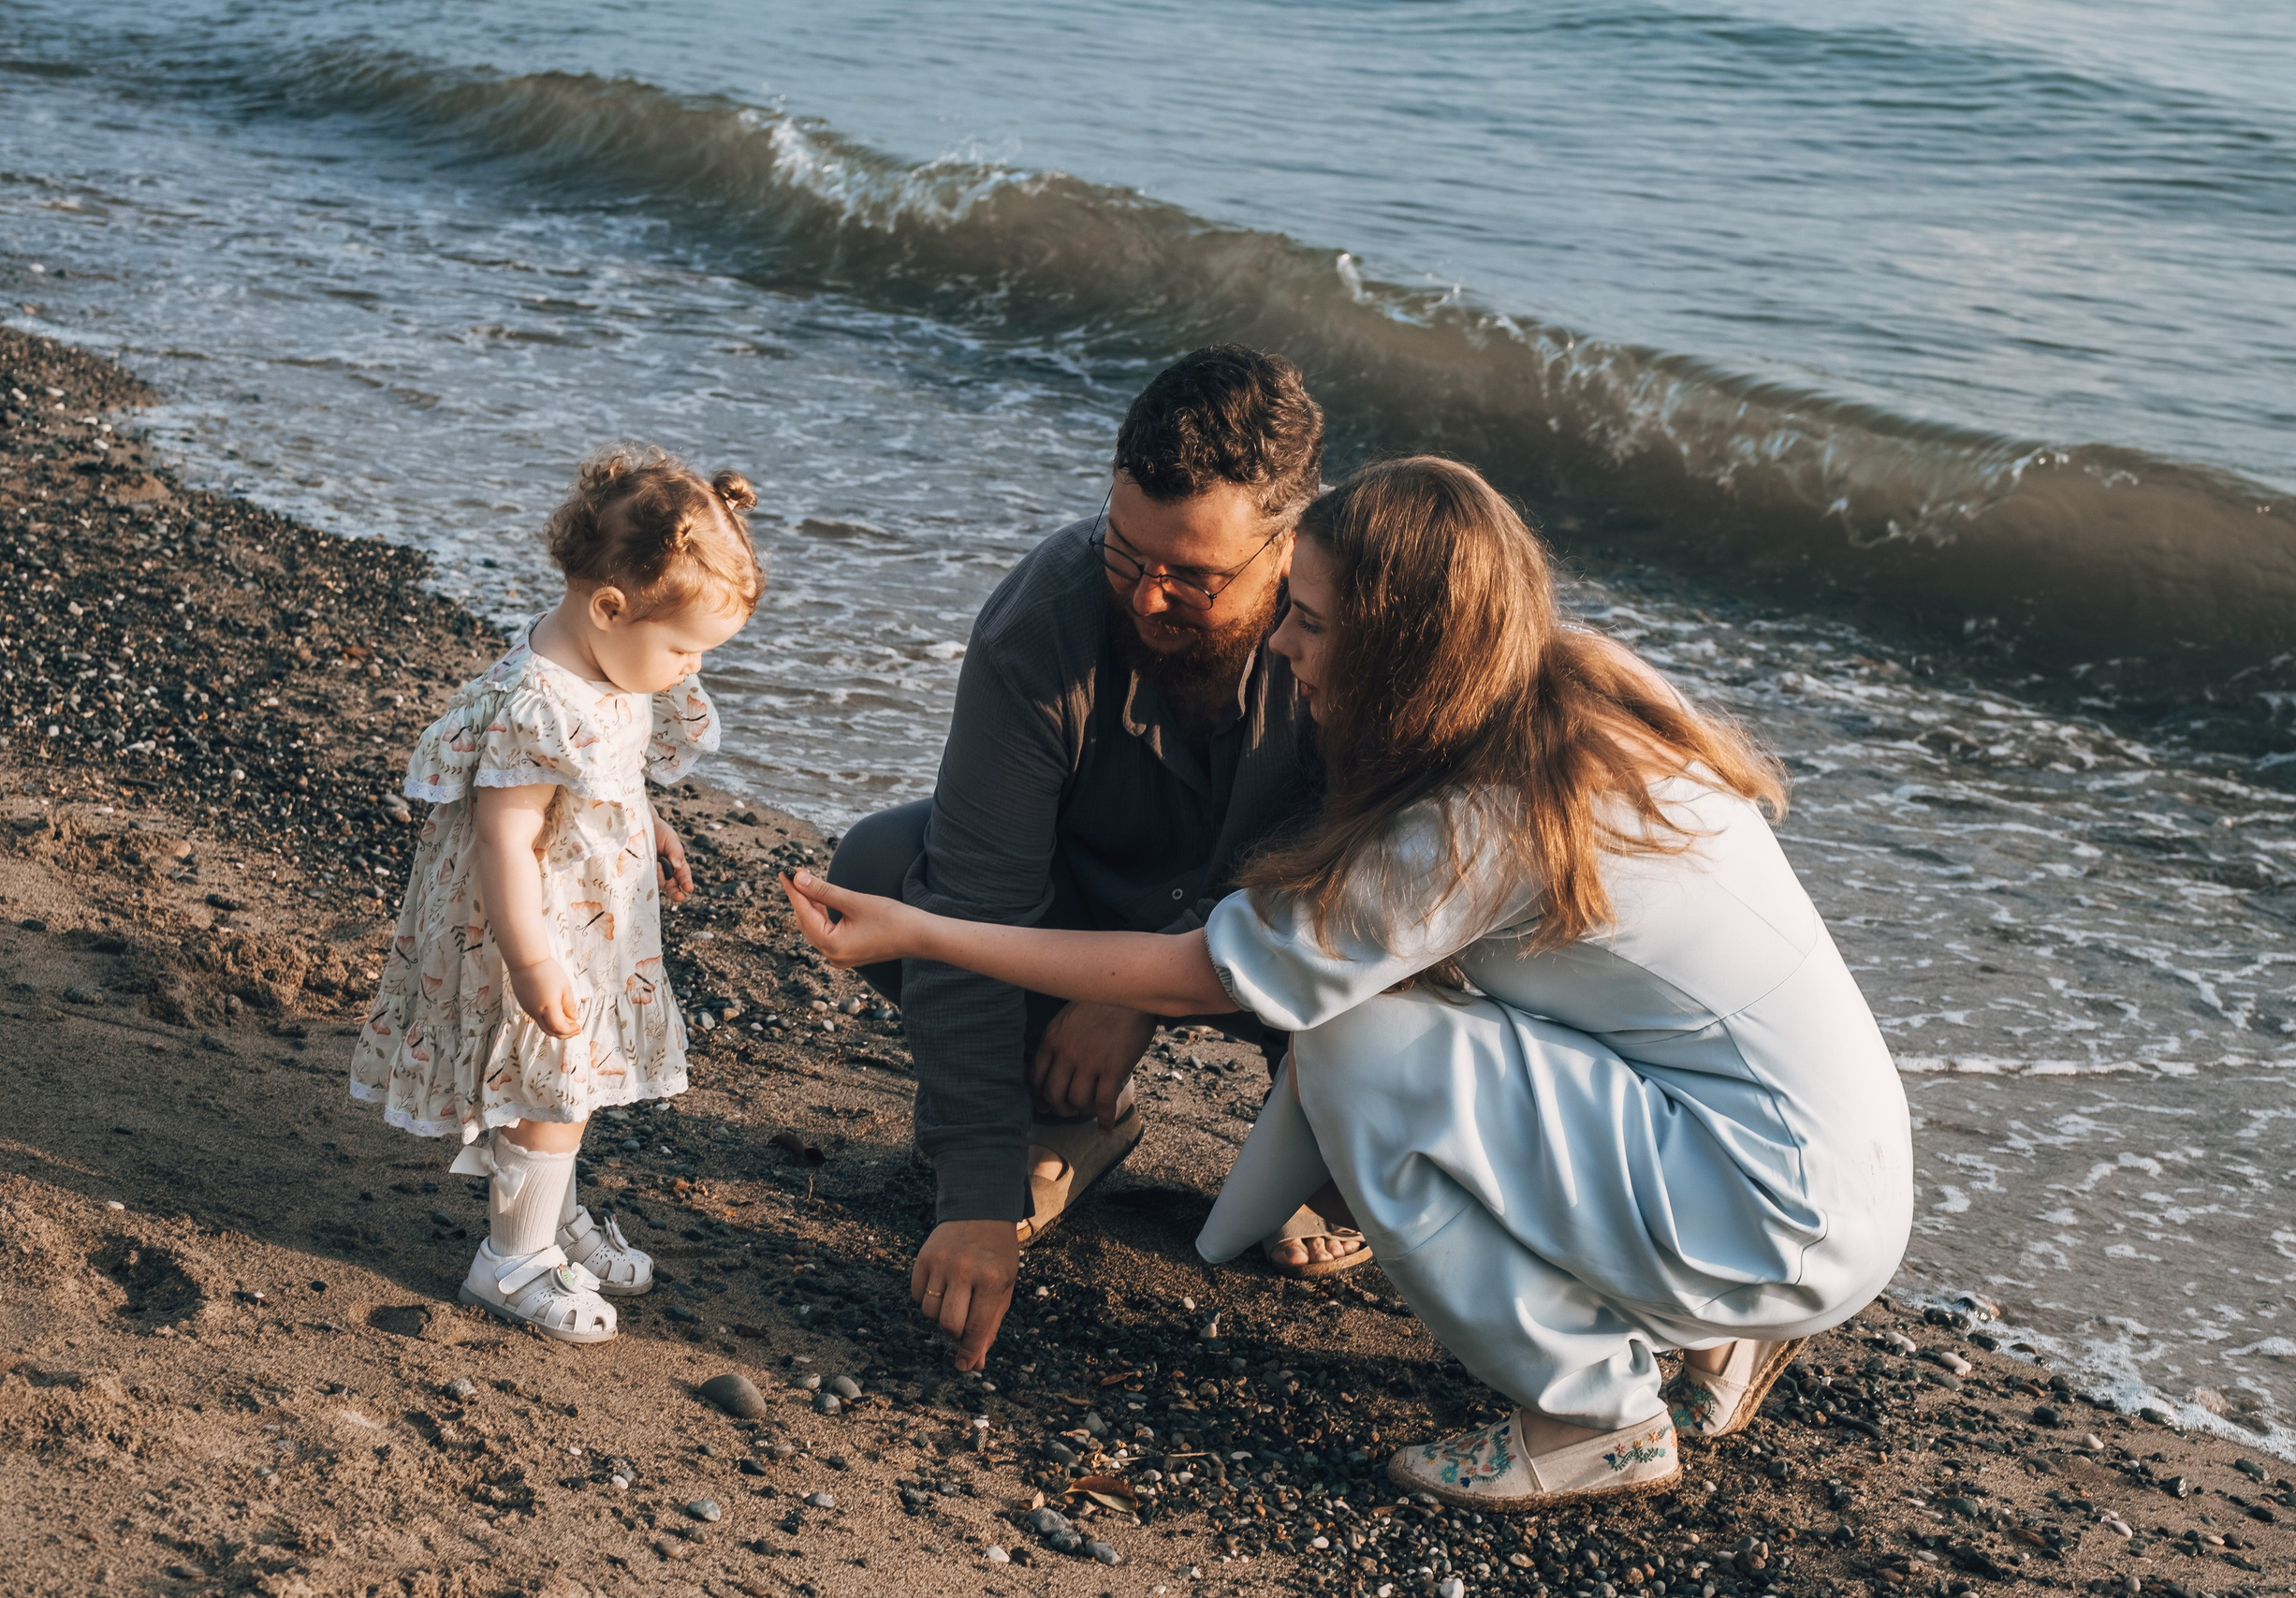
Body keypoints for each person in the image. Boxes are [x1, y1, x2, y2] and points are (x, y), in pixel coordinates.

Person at [781, 456, 1912, 1508]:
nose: (1282, 647)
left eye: (1310, 624)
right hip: (1815, 1163)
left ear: (1402, 649)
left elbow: (1199, 973)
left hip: (1766, 1202)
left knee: (1357, 1042)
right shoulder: (1576, 696)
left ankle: (1594, 1415)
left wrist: (921, 929)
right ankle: (1708, 1324)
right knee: (1410, 1013)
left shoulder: (1482, 819)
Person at [827, 345, 1366, 1376]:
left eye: (1195, 577)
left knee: (1390, 969)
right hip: (1086, 897)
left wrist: (1149, 986)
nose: (1148, 598)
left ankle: (1322, 1151)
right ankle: (1077, 1122)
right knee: (886, 866)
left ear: (1289, 543)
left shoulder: (1356, 633)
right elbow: (972, 894)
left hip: (1285, 931)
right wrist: (976, 1197)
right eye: (1127, 553)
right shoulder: (1046, 618)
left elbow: (1387, 887)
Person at [351, 446, 763, 1345]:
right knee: (552, 1084)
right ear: (610, 607)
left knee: (564, 1086)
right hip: (523, 922)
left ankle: (549, 1219)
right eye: (685, 647)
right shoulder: (540, 700)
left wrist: (646, 820)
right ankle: (512, 1260)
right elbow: (504, 838)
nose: (690, 668)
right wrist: (532, 959)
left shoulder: (609, 660)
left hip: (584, 906)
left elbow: (610, 768)